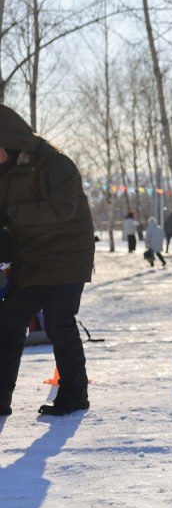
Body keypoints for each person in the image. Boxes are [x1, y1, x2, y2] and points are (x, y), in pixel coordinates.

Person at [0, 104, 96, 416]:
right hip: (30, 258)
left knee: (58, 323)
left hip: (67, 255)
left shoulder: (55, 164)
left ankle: (74, 395)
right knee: (8, 321)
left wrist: (11, 215)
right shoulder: (5, 169)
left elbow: (61, 210)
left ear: (9, 140)